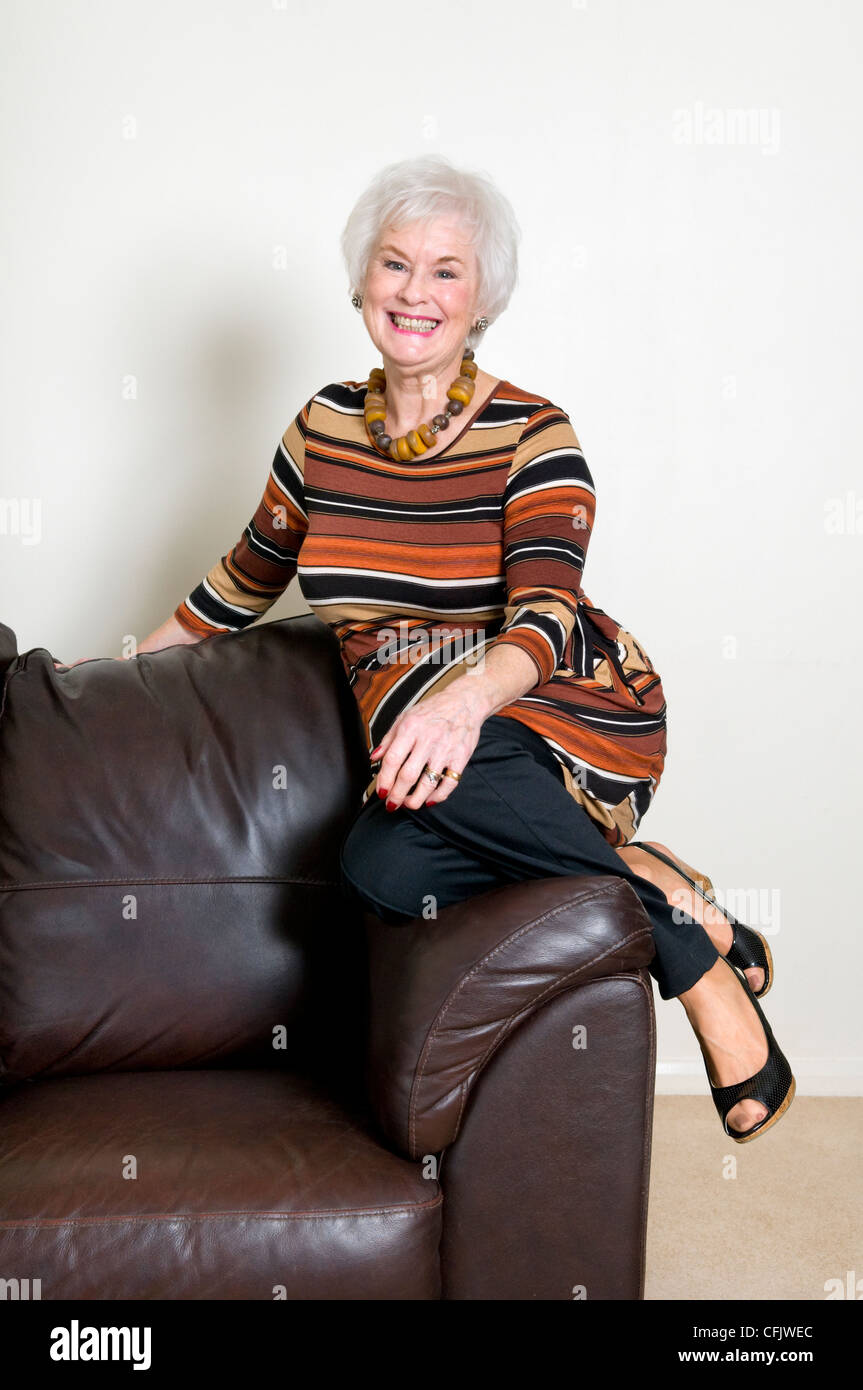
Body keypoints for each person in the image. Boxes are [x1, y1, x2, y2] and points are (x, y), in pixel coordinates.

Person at [83, 154, 793, 1143]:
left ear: (481, 296)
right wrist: (105, 677)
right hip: (428, 750)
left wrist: (460, 702)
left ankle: (693, 966)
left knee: (460, 769)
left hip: (557, 715)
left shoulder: (533, 433)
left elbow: (543, 622)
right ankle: (638, 873)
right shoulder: (321, 430)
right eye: (394, 264)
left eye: (445, 270)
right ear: (362, 282)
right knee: (378, 870)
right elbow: (240, 582)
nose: (416, 291)